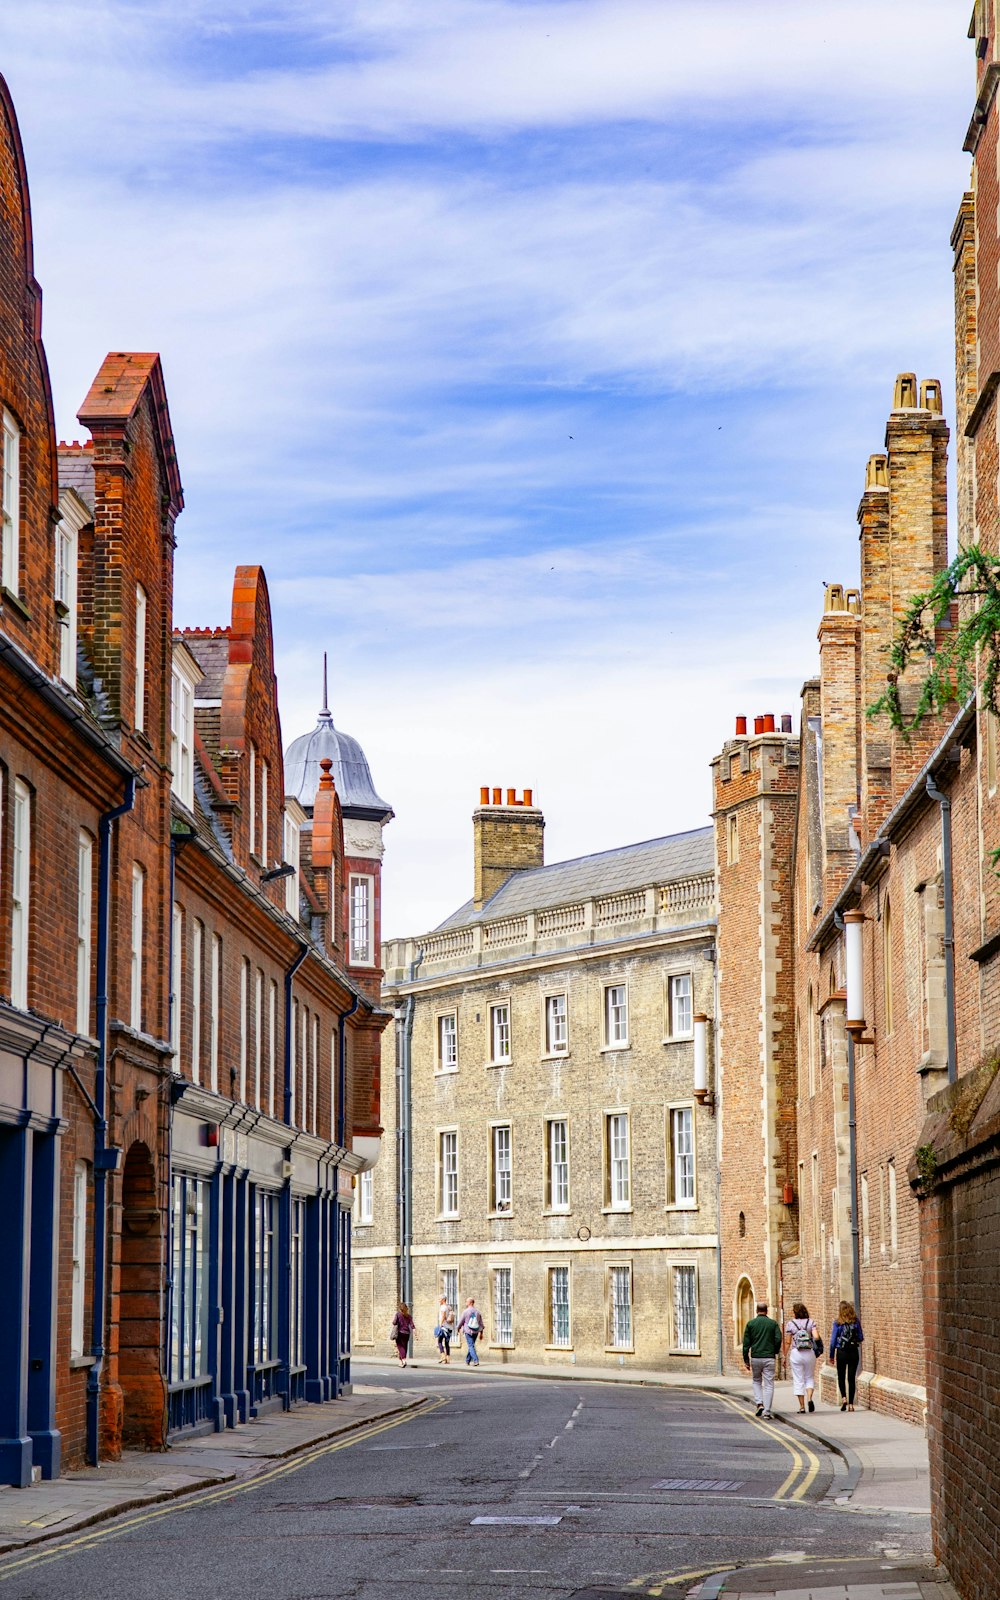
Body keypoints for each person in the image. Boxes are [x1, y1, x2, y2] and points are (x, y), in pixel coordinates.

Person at [742, 1299, 783, 1419]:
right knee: (769, 1384)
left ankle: (759, 1403)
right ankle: (767, 1411)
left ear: (756, 1311)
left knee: (756, 1381)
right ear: (766, 1311)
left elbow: (746, 1344)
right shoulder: (773, 1324)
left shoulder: (751, 1324)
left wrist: (746, 1359)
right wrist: (774, 1351)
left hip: (755, 1357)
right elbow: (778, 1339)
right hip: (769, 1357)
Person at [783, 1300, 819, 1414]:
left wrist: (784, 1355)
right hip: (809, 1352)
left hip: (796, 1353)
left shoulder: (791, 1324)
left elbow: (788, 1342)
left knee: (798, 1380)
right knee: (809, 1377)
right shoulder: (811, 1322)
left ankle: (802, 1407)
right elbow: (816, 1337)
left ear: (795, 1313)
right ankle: (810, 1399)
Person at [830, 1300, 864, 1411]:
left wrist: (831, 1355)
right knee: (851, 1378)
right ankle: (851, 1404)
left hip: (841, 1352)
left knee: (841, 1376)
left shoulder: (837, 1323)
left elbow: (833, 1341)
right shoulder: (856, 1322)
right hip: (853, 1352)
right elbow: (860, 1337)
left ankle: (844, 1398)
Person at [456, 1297, 484, 1366]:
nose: (466, 1303)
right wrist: (481, 1333)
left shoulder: (465, 1312)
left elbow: (460, 1321)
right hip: (476, 1331)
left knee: (471, 1346)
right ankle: (467, 1360)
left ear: (470, 1303)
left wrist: (458, 1328)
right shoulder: (478, 1312)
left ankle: (476, 1360)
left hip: (468, 1331)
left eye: (467, 1301)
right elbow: (481, 1323)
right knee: (471, 1346)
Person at [391, 1301, 414, 1367]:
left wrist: (396, 1322)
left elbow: (394, 1322)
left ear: (400, 1308)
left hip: (400, 1333)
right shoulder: (409, 1316)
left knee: (400, 1347)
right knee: (404, 1347)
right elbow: (412, 1325)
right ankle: (401, 1362)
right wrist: (415, 1332)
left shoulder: (398, 1314)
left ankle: (403, 1360)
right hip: (407, 1333)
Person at [435, 1294, 454, 1364]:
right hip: (450, 1327)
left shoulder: (443, 1307)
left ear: (443, 1300)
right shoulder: (449, 1307)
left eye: (439, 1299)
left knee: (439, 1341)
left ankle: (443, 1356)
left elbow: (443, 1316)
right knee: (447, 1343)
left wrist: (439, 1326)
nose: (438, 1300)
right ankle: (448, 1359)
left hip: (444, 1327)